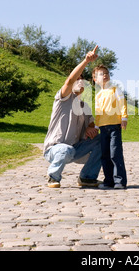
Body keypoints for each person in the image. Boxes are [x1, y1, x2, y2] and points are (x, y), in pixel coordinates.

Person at [43, 45, 101, 188]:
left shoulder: (85, 106)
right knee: (65, 149)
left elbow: (92, 123)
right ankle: (53, 177)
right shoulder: (63, 98)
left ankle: (87, 177)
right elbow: (69, 80)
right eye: (77, 79)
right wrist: (86, 61)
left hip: (75, 149)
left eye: (82, 80)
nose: (79, 81)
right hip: (54, 149)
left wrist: (90, 128)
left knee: (103, 140)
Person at [92, 64, 128, 189]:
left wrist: (124, 117)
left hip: (114, 127)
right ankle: (108, 181)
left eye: (107, 73)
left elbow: (122, 102)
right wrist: (96, 127)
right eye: (101, 74)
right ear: (95, 79)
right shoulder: (98, 95)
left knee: (115, 153)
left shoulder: (115, 89)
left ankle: (120, 181)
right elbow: (98, 112)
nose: (105, 75)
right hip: (103, 128)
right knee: (105, 155)